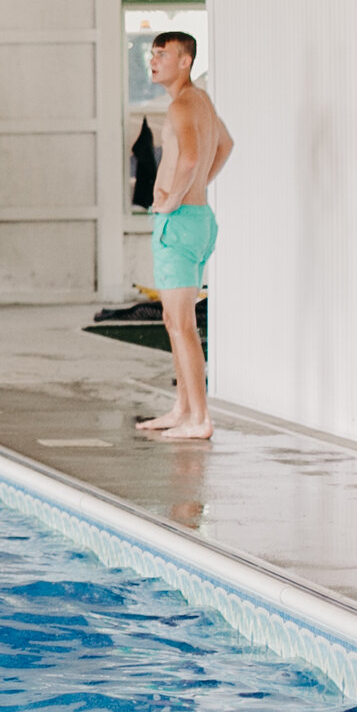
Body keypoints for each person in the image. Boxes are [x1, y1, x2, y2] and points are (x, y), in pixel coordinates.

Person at [136, 31, 232, 441]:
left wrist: (172, 199)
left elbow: (192, 157)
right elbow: (225, 145)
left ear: (185, 61)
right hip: (199, 218)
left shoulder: (181, 105)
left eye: (163, 54)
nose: (154, 60)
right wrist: (196, 191)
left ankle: (200, 418)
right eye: (152, 53)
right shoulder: (201, 101)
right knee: (174, 320)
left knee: (182, 323)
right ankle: (183, 408)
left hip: (180, 223)